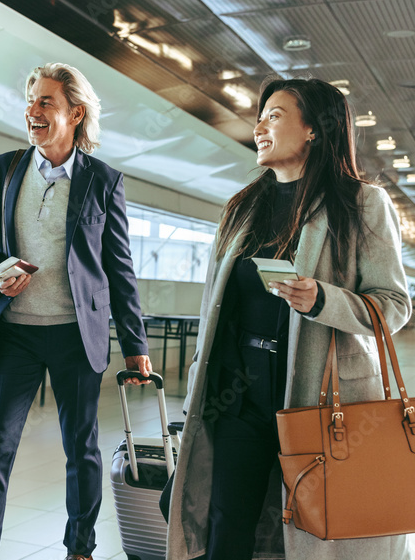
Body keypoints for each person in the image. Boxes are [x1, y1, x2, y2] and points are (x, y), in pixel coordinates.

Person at [165, 78, 414, 559]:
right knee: (226, 526)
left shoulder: (360, 203)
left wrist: (322, 299)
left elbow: (394, 305)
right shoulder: (243, 207)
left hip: (317, 398)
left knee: (318, 529)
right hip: (238, 395)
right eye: (259, 117)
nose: (259, 126)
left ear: (315, 129)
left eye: (274, 116)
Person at [0, 62, 153, 560]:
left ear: (76, 113)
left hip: (76, 334)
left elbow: (119, 268)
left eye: (46, 102)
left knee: (81, 450)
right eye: (31, 102)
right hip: (17, 332)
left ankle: (80, 549)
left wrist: (135, 348)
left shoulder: (103, 181)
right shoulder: (2, 169)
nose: (33, 112)